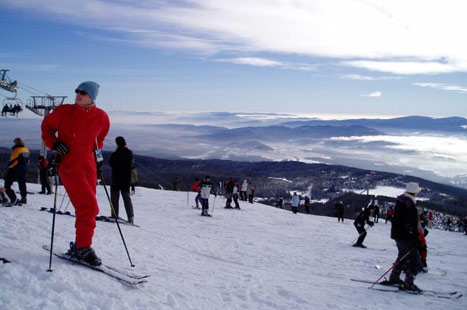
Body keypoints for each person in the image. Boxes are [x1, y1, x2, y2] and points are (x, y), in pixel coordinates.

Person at [41, 81, 110, 266]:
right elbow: (47, 128)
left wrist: (98, 158)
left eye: (84, 92)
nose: (79, 94)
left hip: (89, 166)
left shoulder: (102, 117)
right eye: (78, 91)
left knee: (86, 208)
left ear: (92, 97)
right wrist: (53, 144)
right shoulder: (64, 112)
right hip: (69, 164)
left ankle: (80, 246)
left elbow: (99, 139)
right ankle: (83, 247)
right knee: (89, 206)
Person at [385, 182, 422, 291]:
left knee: (402, 256)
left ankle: (394, 278)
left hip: (398, 235)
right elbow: (411, 224)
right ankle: (408, 283)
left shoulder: (401, 202)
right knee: (415, 260)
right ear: (415, 192)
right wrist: (415, 238)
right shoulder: (409, 205)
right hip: (406, 236)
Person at [109, 136, 135, 224]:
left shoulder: (115, 154)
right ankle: (130, 217)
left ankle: (114, 215)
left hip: (116, 179)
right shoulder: (129, 153)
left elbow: (110, 163)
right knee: (127, 198)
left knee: (114, 199)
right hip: (126, 180)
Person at [3, 137, 30, 205]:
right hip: (24, 168)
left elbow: (13, 160)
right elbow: (28, 160)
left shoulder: (17, 150)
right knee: (22, 183)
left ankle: (12, 198)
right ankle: (24, 198)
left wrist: (8, 166)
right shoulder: (26, 150)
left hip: (15, 169)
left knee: (8, 182)